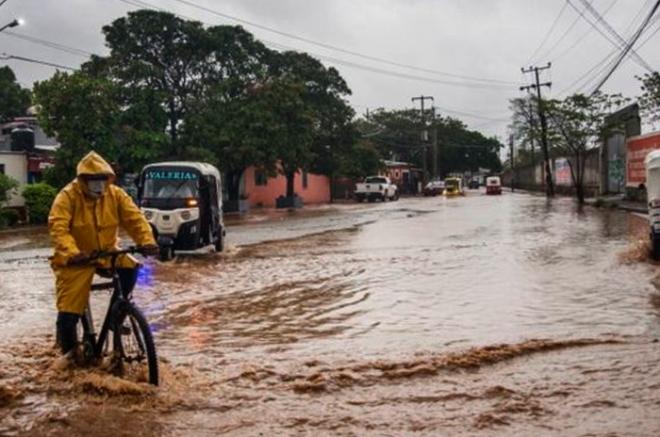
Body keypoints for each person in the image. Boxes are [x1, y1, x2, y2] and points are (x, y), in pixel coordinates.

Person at [48, 151, 158, 359]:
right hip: (76, 259)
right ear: (83, 180)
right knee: (68, 314)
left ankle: (119, 312)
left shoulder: (116, 195)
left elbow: (135, 219)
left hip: (108, 252)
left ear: (108, 179)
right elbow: (58, 228)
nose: (98, 185)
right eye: (93, 180)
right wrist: (73, 252)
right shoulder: (67, 196)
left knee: (131, 266)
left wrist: (147, 242)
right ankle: (70, 358)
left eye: (102, 180)